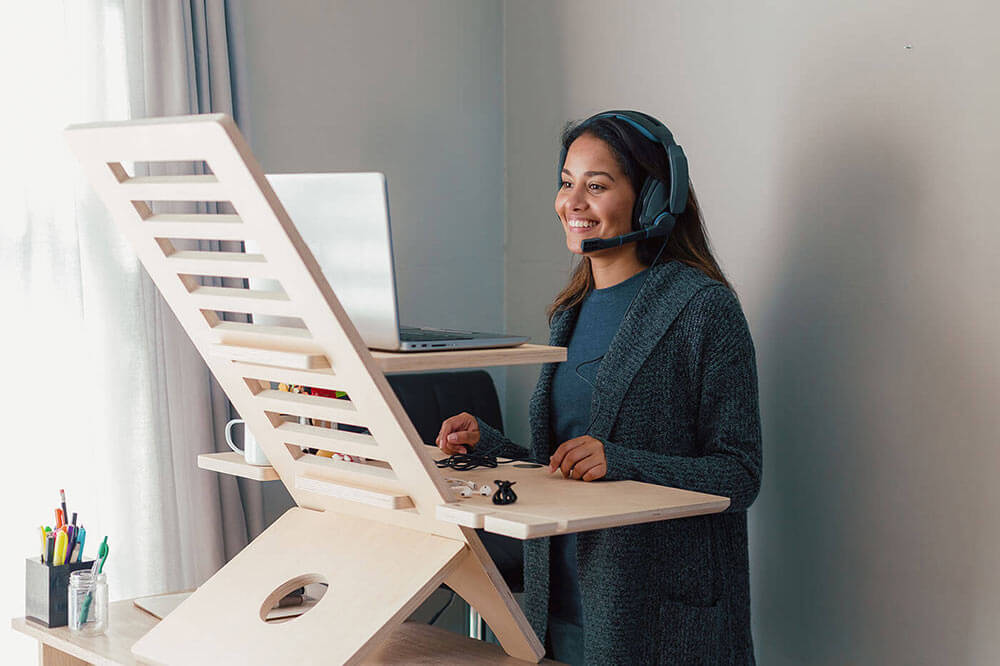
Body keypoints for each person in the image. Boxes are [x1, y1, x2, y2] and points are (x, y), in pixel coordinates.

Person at [436, 110, 762, 665]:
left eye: (597, 185)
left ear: (653, 199)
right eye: (567, 183)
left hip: (655, 617)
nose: (573, 202)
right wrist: (490, 447)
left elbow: (739, 474)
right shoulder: (569, 311)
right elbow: (564, 469)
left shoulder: (705, 308)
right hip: (555, 603)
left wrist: (623, 461)